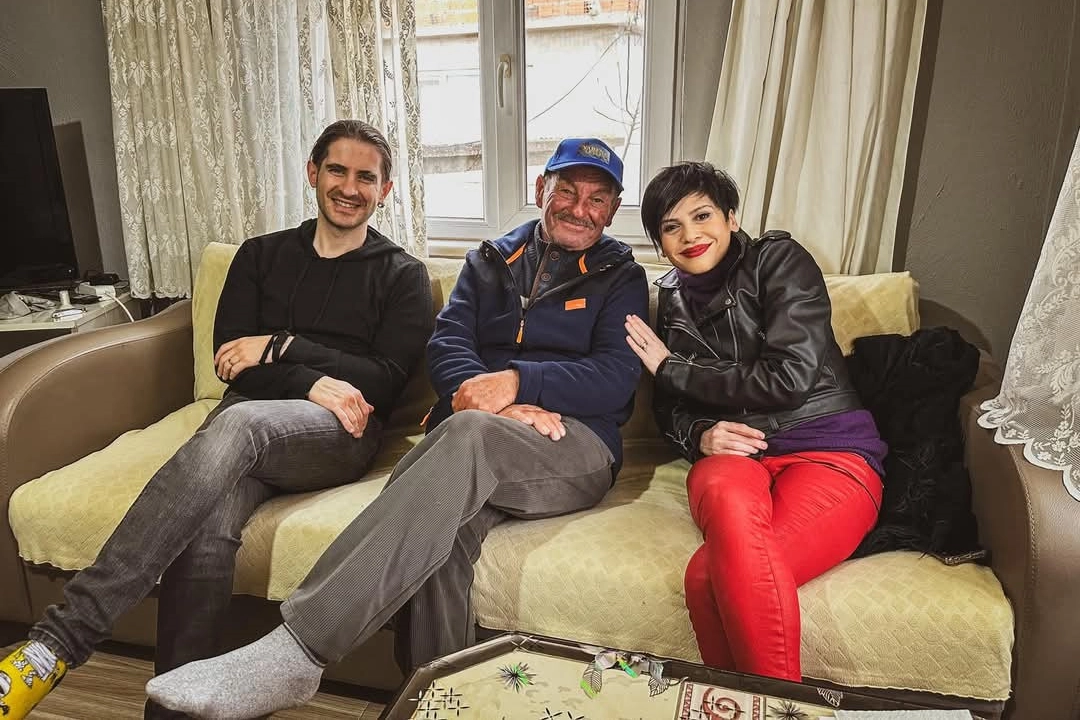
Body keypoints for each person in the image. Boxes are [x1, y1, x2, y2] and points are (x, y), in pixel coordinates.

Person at [142, 137, 649, 719]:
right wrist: (489, 401)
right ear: (541, 190)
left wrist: (515, 382)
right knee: (438, 532)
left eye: (597, 199)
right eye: (567, 191)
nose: (580, 209)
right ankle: (435, 702)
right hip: (477, 433)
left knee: (466, 435)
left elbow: (615, 377)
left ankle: (298, 648)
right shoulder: (490, 261)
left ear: (613, 209)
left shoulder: (621, 276)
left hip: (571, 444)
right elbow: (446, 345)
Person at [0, 119, 434, 720]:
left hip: (336, 436)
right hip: (248, 426)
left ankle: (59, 641)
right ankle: (172, 713)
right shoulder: (260, 256)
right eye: (337, 170)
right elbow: (231, 363)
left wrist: (280, 347)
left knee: (237, 424)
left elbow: (382, 382)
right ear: (313, 173)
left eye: (366, 177)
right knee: (206, 529)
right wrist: (314, 379)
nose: (349, 187)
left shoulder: (402, 275)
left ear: (384, 190)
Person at [623, 162, 886, 682]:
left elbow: (789, 377)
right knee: (715, 554)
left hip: (828, 448)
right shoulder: (670, 298)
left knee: (705, 578)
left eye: (702, 216)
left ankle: (767, 708)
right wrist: (700, 434)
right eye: (672, 227)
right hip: (733, 455)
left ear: (731, 218)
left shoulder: (780, 261)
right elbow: (669, 408)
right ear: (660, 243)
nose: (690, 235)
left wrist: (675, 369)